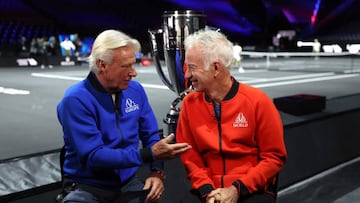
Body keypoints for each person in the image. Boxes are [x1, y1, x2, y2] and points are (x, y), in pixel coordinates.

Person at [56, 29, 192, 203]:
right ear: (102, 64)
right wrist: (148, 155)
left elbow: (150, 136)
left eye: (133, 64)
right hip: (87, 187)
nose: (133, 73)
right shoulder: (75, 100)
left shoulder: (136, 91)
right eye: (126, 66)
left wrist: (156, 172)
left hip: (127, 183)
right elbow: (94, 156)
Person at [176, 29, 287, 203]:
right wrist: (208, 191)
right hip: (207, 188)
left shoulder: (258, 101)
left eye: (192, 68)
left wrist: (237, 189)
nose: (187, 75)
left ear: (215, 68)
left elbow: (274, 157)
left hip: (250, 189)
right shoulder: (189, 104)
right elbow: (191, 157)